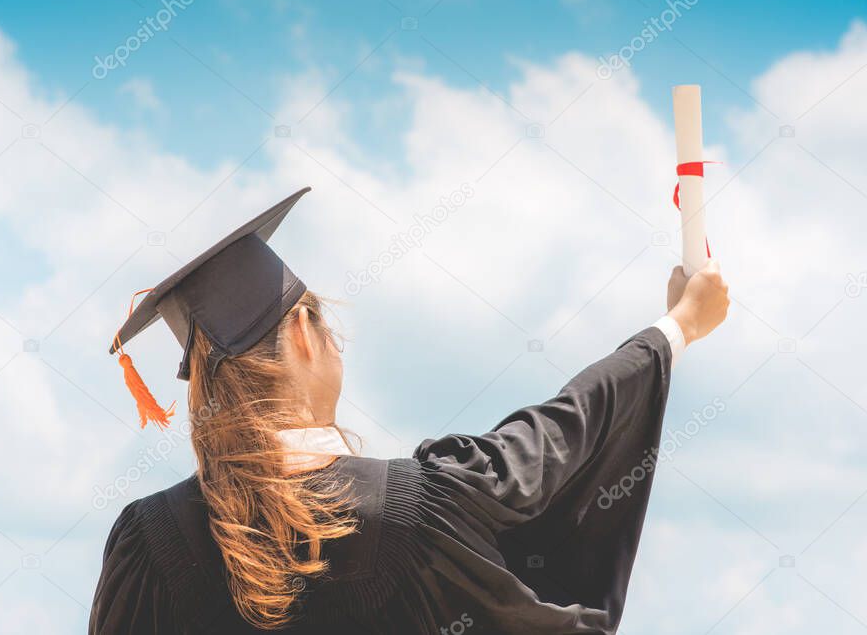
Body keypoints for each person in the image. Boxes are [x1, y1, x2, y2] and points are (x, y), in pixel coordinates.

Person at [89, 187, 729, 634]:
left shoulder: (150, 544)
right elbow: (560, 435)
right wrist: (677, 327)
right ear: (307, 336)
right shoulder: (420, 511)